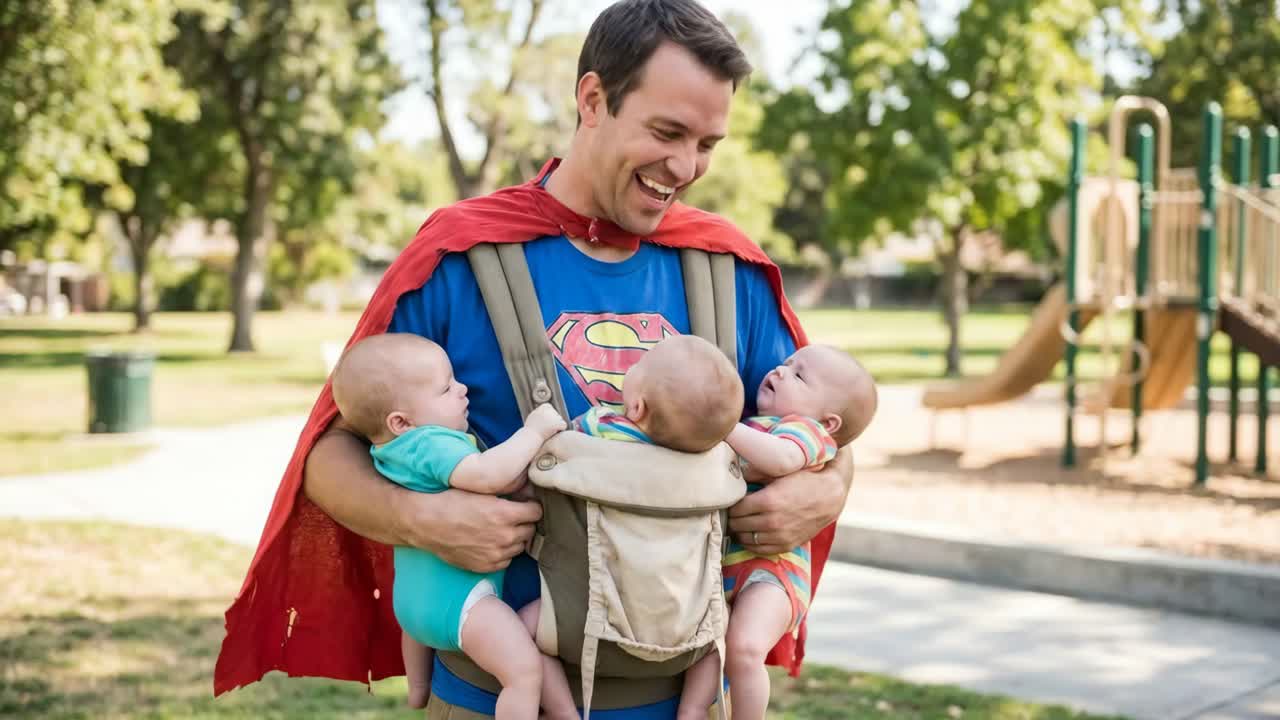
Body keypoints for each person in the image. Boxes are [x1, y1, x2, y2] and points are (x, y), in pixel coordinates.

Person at [213, 1, 856, 717]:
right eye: (667, 132)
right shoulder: (456, 257)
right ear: (593, 100)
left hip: (683, 702)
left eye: (707, 143)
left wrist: (827, 491)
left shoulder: (728, 269)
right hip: (489, 697)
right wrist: (421, 519)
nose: (685, 167)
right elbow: (329, 456)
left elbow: (829, 429)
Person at [329, 334, 567, 719]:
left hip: (411, 609)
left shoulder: (390, 451)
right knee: (523, 672)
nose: (462, 389)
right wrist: (534, 432)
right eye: (445, 389)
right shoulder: (431, 442)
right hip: (463, 606)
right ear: (401, 421)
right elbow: (486, 475)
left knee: (424, 635)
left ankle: (418, 689)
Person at [518, 333, 745, 719]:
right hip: (690, 626)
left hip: (584, 621)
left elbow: (559, 446)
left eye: (639, 365)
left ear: (636, 407)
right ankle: (693, 708)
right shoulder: (711, 462)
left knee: (522, 632)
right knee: (720, 635)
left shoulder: (598, 428)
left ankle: (563, 712)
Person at [678, 345, 878, 719]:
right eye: (786, 364)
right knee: (708, 647)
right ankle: (692, 711)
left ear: (829, 422)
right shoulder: (756, 426)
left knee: (745, 648)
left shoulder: (808, 434)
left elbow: (780, 459)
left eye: (799, 376)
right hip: (729, 569)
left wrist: (722, 426)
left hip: (772, 572)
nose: (781, 371)